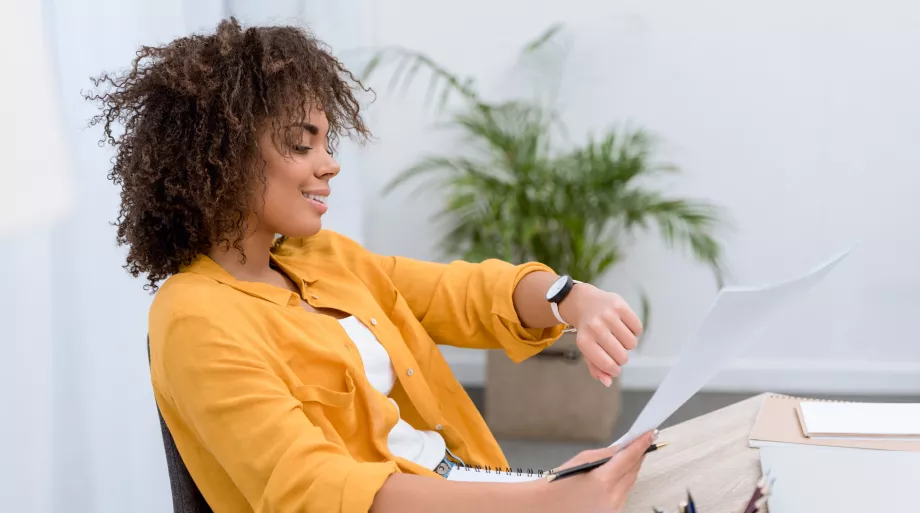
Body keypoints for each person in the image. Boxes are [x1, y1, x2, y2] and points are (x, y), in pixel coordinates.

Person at [87, 18, 654, 513]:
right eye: (301, 144)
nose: (330, 164)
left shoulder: (324, 257)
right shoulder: (193, 317)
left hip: (481, 485)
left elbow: (465, 294)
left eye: (327, 143)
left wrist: (569, 296)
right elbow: (314, 491)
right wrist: (539, 505)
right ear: (224, 152)